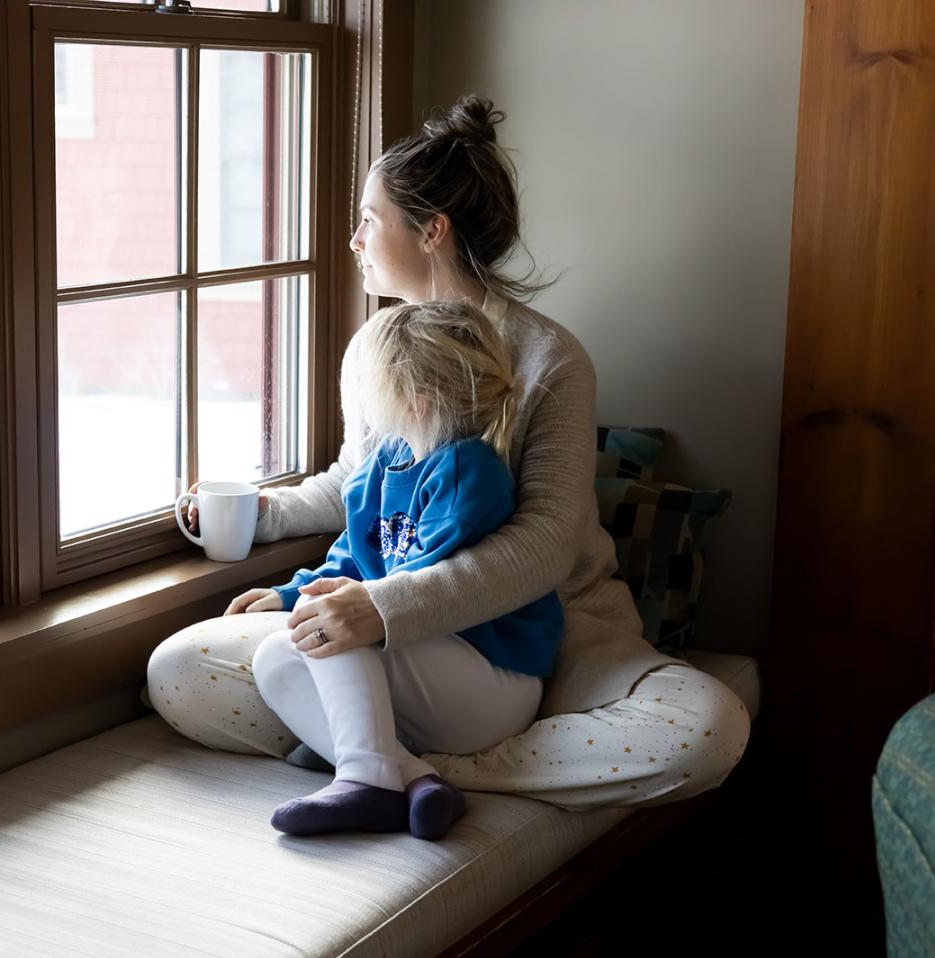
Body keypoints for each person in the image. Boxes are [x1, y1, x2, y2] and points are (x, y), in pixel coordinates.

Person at [148, 94, 749, 816]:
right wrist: (264, 512)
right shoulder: (377, 352)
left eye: (369, 220)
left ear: (432, 230)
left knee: (709, 730)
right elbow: (358, 486)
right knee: (178, 671)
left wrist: (382, 609)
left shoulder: (551, 359)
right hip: (397, 627)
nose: (355, 241)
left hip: (550, 631)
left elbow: (546, 544)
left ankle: (394, 763)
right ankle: (396, 766)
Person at [232, 300, 563, 840]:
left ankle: (365, 775)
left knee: (339, 629)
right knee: (277, 657)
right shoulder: (384, 464)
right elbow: (355, 554)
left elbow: (429, 582)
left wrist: (356, 598)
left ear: (414, 399)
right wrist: (289, 593)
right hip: (433, 670)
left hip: (494, 679)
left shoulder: (466, 470)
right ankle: (413, 781)